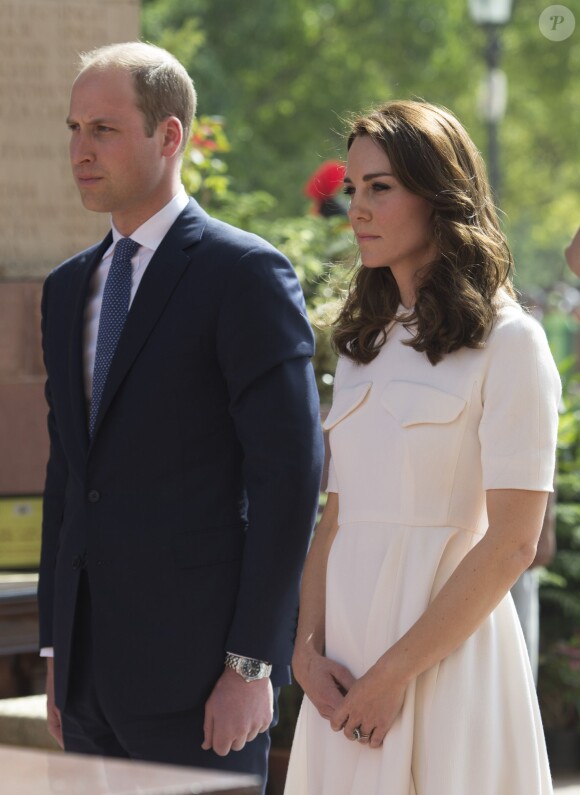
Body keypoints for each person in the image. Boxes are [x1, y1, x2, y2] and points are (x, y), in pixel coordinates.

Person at [38, 41, 323, 791]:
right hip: (88, 678)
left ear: (171, 136)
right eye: (73, 130)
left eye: (103, 129)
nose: (80, 151)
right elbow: (68, 470)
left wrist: (251, 664)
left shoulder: (245, 275)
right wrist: (57, 653)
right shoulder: (68, 289)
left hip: (201, 682)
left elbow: (289, 477)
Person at [284, 100, 560, 794]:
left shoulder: (511, 341)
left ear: (440, 197)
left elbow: (513, 544)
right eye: (352, 188)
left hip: (444, 666)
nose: (359, 208)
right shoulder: (361, 348)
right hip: (343, 671)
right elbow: (336, 517)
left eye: (381, 186)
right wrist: (306, 651)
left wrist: (394, 674)